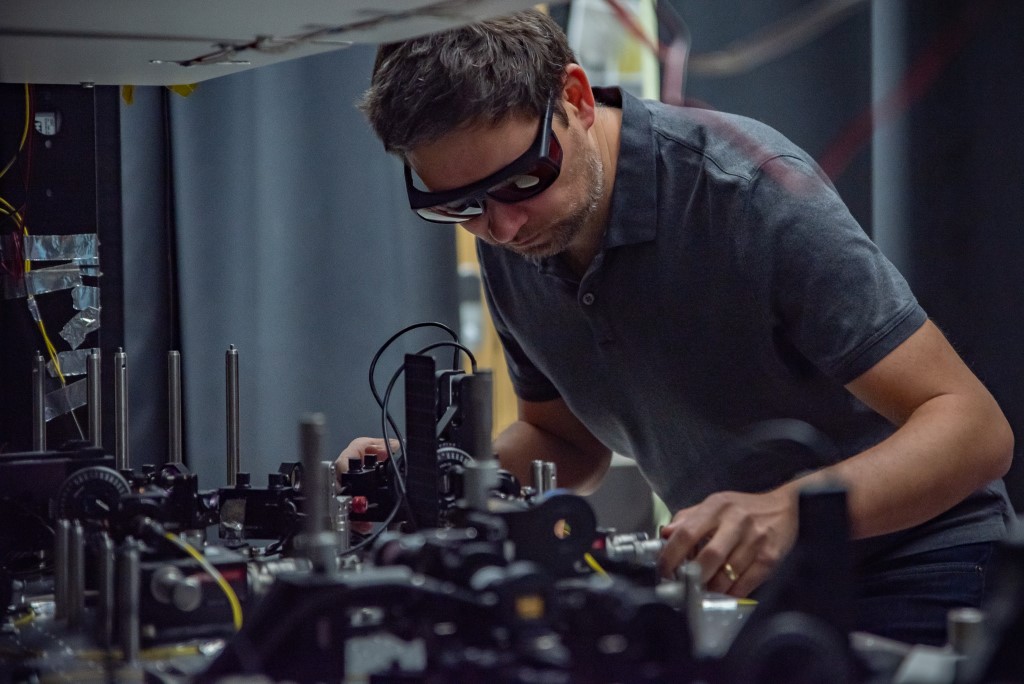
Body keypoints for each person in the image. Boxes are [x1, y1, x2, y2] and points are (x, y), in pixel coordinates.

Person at [338, 9, 1014, 646]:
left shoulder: (749, 193)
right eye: (458, 205)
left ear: (574, 96)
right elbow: (562, 440)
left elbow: (974, 429)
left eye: (523, 180)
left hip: (924, 566)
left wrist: (792, 512)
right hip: (766, 593)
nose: (502, 227)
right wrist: (435, 480)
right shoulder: (511, 234)